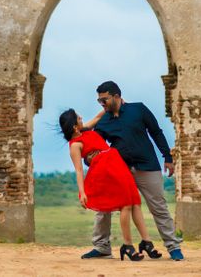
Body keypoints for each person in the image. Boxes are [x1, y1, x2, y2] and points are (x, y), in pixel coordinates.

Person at [82, 80, 185, 261]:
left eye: (104, 100)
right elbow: (95, 145)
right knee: (104, 206)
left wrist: (167, 158)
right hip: (119, 170)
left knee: (159, 207)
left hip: (147, 166)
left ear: (116, 96)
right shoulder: (104, 120)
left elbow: (156, 132)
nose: (102, 104)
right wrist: (88, 159)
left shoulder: (138, 109)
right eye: (99, 101)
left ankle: (173, 246)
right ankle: (102, 246)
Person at [58, 109, 161, 261]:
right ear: (74, 126)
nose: (81, 117)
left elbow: (100, 115)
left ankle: (146, 242)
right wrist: (82, 192)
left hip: (117, 163)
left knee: (135, 202)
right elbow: (79, 170)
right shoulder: (75, 145)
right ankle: (128, 245)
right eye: (78, 117)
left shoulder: (86, 130)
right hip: (104, 171)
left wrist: (116, 102)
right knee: (125, 205)